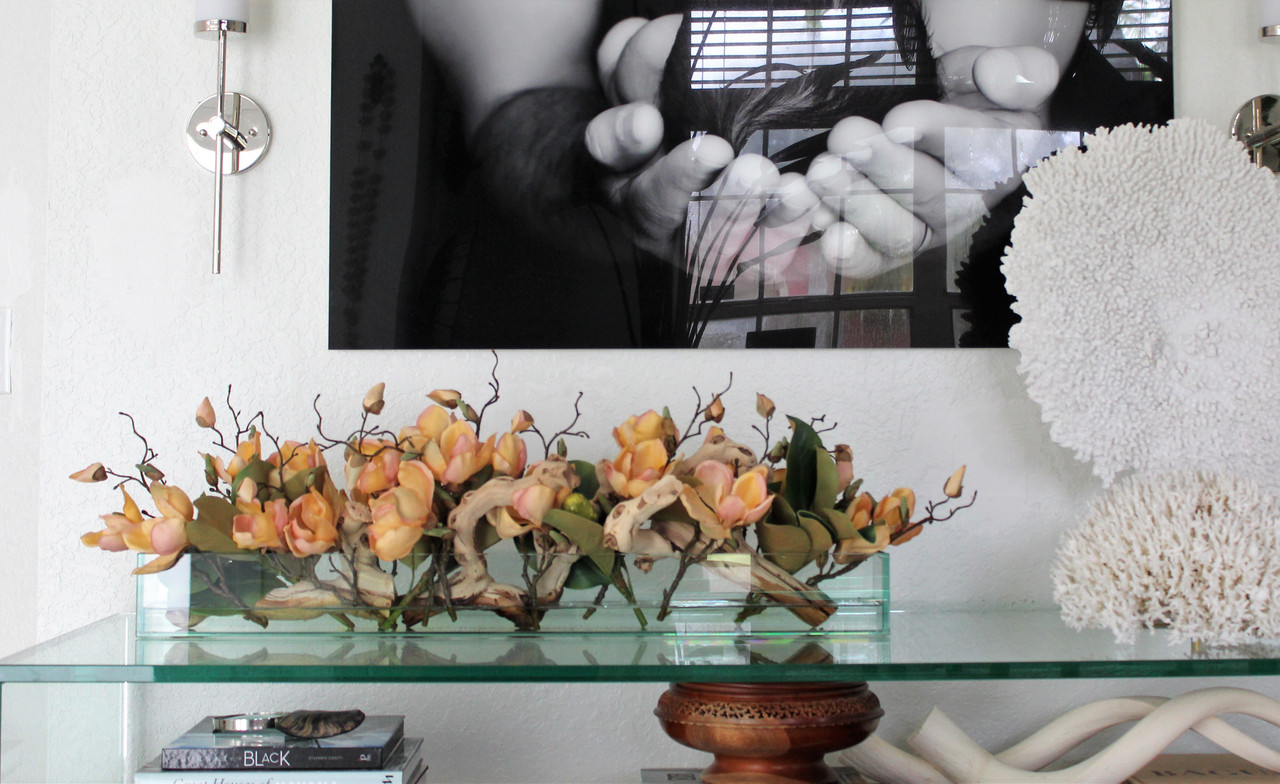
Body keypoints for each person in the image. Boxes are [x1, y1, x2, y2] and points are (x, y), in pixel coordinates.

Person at [396, 0, 1168, 348]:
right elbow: (513, 91)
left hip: (1041, 319)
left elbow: (1004, 59)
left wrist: (1001, 129)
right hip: (594, 336)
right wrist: (596, 165)